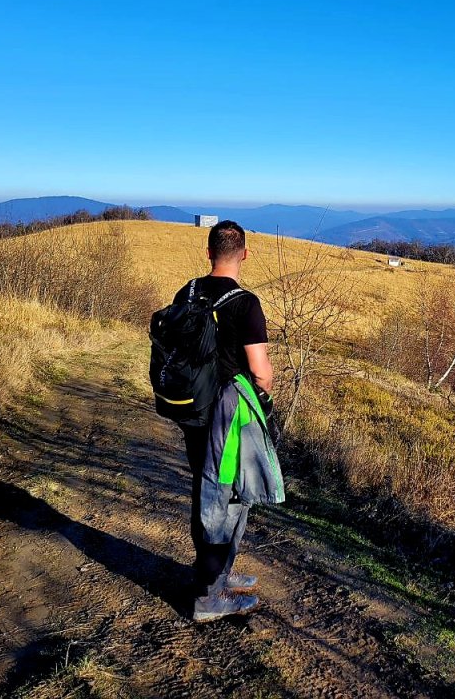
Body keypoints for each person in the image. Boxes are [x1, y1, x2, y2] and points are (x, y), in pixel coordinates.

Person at [175, 220, 274, 622]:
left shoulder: (188, 291)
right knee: (226, 498)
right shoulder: (245, 303)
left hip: (192, 411)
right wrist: (265, 400)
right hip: (227, 416)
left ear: (208, 252)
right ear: (245, 253)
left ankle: (218, 572)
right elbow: (261, 370)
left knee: (209, 489)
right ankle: (210, 595)